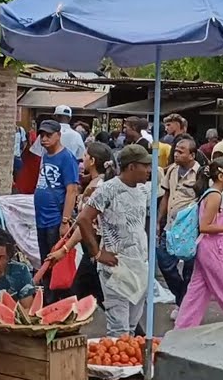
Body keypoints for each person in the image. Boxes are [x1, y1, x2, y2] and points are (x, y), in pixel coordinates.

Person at [75, 143, 153, 337]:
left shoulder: (143, 190)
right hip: (115, 269)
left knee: (133, 328)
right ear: (132, 167)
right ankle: (115, 367)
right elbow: (83, 219)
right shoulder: (108, 189)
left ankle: (132, 367)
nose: (149, 170)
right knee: (119, 330)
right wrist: (98, 253)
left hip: (139, 267)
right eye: (145, 165)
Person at [174, 157, 223, 329]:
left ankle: (182, 328)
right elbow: (205, 226)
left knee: (197, 291)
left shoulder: (213, 194)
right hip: (212, 248)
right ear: (221, 176)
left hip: (210, 248)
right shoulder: (215, 196)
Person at [48, 141, 115, 306]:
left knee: (84, 295)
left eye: (85, 156)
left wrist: (65, 249)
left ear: (92, 161)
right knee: (95, 296)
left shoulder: (97, 188)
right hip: (93, 249)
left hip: (94, 249)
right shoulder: (98, 184)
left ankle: (133, 331)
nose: (81, 160)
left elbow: (86, 225)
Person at [33, 119, 80, 300]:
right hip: (41, 217)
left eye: (48, 135)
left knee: (54, 261)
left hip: (55, 218)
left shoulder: (67, 158)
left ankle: (57, 297)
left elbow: (72, 190)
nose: (44, 139)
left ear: (58, 135)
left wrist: (65, 220)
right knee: (45, 259)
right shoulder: (45, 156)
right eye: (42, 135)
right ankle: (47, 296)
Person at [157, 135, 200, 314]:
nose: (176, 154)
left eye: (181, 152)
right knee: (164, 261)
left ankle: (183, 305)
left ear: (192, 155)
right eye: (176, 151)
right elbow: (166, 195)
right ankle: (182, 296)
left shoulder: (201, 173)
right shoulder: (172, 170)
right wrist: (160, 219)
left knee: (190, 269)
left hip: (190, 230)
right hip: (170, 226)